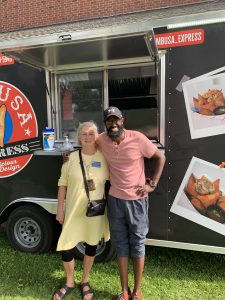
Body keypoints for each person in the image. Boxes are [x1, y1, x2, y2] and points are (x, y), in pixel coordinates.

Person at [97, 107, 166, 300]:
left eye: (116, 120)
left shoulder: (137, 138)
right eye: (109, 121)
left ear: (122, 121)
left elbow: (160, 157)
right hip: (115, 200)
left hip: (137, 201)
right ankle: (124, 291)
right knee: (120, 245)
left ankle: (137, 291)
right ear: (105, 124)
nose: (113, 124)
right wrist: (70, 155)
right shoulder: (101, 139)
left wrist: (152, 184)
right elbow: (86, 146)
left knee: (138, 244)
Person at [53, 121, 109, 300]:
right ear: (79, 137)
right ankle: (69, 282)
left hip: (95, 211)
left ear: (97, 136)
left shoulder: (104, 158)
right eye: (84, 134)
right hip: (73, 211)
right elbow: (62, 185)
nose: (87, 137)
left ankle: (85, 281)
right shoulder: (71, 159)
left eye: (91, 133)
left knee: (91, 245)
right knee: (67, 246)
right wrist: (59, 210)